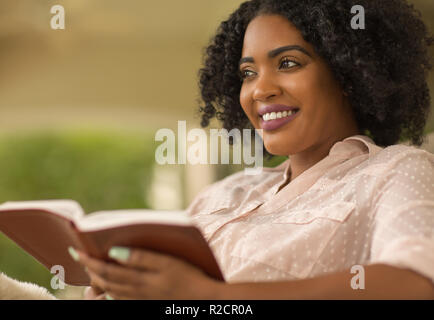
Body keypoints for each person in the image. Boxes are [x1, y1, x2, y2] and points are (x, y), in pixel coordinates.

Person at [72, 0, 434, 299]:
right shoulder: (225, 193)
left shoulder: (397, 170)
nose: (260, 90)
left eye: (287, 64)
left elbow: (416, 283)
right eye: (248, 72)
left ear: (349, 75)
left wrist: (204, 296)